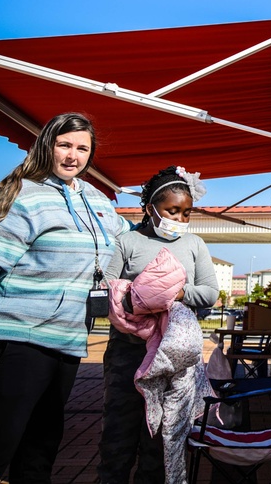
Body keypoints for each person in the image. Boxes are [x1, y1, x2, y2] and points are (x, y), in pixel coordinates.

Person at [0, 112, 131, 483]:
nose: (73, 155)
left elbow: (129, 241)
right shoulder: (24, 195)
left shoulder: (98, 202)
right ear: (46, 145)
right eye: (64, 145)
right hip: (14, 338)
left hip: (66, 340)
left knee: (40, 450)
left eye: (82, 148)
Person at [97, 165, 218, 484]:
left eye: (186, 213)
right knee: (118, 431)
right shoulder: (127, 241)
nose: (179, 220)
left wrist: (178, 292)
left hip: (173, 358)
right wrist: (136, 296)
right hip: (127, 352)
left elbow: (209, 293)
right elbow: (108, 287)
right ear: (150, 208)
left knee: (161, 438)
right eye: (172, 211)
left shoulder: (194, 245)